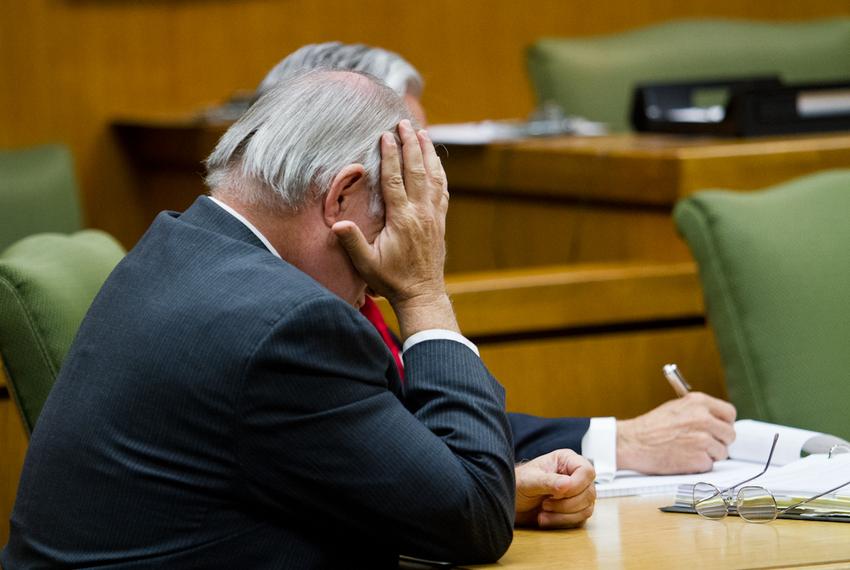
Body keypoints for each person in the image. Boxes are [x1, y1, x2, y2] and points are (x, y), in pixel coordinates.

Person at [3, 70, 575, 568]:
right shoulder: (284, 325)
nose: (379, 273)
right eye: (395, 225)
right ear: (343, 197)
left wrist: (478, 483)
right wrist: (423, 290)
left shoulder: (175, 251)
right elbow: (473, 518)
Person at [258, 42, 738, 480]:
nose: (421, 196)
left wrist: (612, 442)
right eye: (403, 165)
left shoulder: (329, 292)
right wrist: (423, 291)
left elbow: (414, 428)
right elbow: (428, 474)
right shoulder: (284, 327)